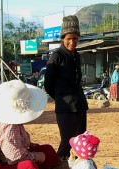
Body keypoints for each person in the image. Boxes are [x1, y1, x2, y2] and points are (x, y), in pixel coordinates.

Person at [44, 15, 89, 160]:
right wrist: (61, 98)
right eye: (69, 38)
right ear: (63, 38)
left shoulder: (77, 56)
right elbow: (48, 84)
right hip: (65, 108)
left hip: (80, 106)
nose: (72, 42)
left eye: (75, 38)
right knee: (67, 143)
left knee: (80, 142)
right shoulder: (57, 56)